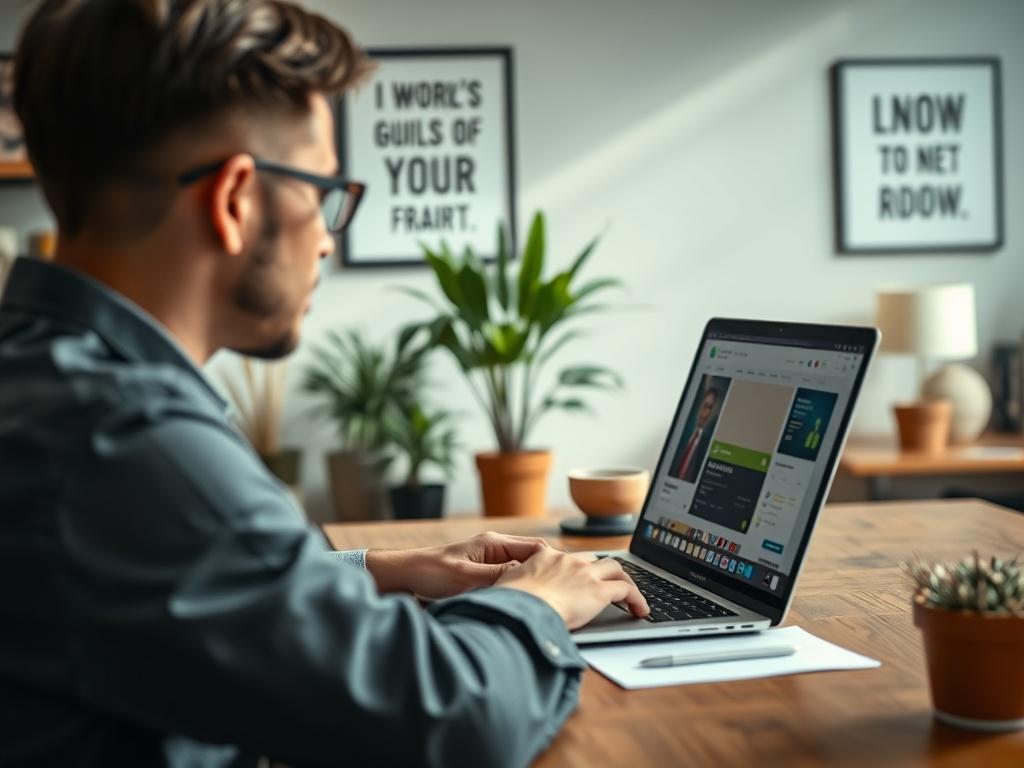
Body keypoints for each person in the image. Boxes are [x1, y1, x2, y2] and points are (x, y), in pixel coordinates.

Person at [0, 2, 648, 767]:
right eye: (323, 195)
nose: (327, 240)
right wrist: (537, 600)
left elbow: (179, 574)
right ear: (235, 201)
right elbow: (448, 716)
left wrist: (382, 568)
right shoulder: (124, 438)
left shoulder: (45, 376)